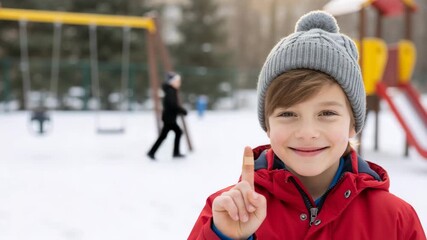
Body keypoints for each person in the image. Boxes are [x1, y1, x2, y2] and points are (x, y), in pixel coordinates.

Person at [189, 11, 426, 239]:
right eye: (288, 113)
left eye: (327, 113)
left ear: (353, 124)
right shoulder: (226, 214)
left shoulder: (395, 220)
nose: (307, 133)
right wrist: (225, 238)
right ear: (268, 125)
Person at [147, 72, 187, 160]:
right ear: (172, 82)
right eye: (177, 81)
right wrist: (181, 110)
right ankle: (153, 152)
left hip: (169, 118)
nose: (179, 83)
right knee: (173, 133)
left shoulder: (171, 90)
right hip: (169, 119)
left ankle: (153, 152)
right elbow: (172, 105)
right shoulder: (170, 91)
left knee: (173, 133)